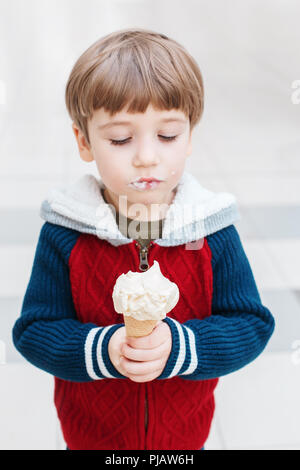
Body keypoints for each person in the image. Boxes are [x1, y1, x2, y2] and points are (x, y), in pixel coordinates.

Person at [12, 28, 275, 451]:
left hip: (183, 437)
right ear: (84, 142)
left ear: (190, 136)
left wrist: (180, 346)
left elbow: (251, 324)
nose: (147, 155)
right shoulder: (65, 233)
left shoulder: (211, 230)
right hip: (91, 437)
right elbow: (35, 331)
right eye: (120, 139)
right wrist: (104, 348)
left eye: (167, 135)